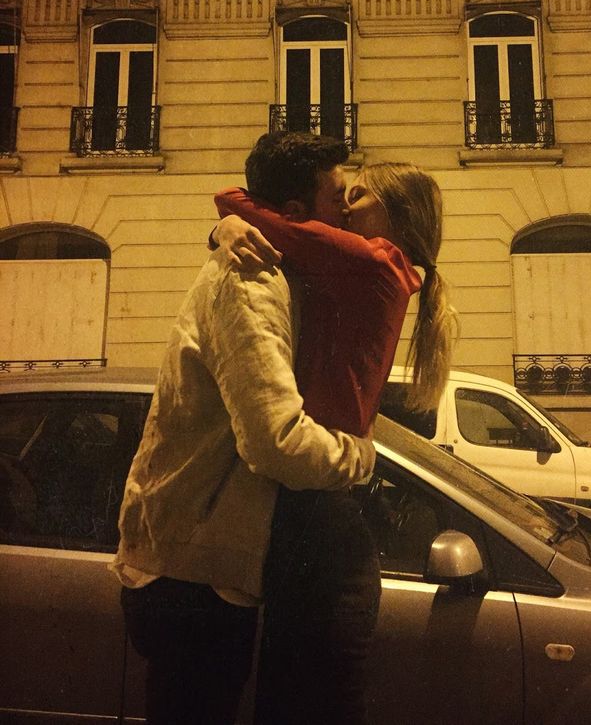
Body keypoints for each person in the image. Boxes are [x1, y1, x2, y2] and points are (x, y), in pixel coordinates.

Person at [113, 132, 376, 725]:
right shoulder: (252, 282)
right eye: (337, 196)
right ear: (292, 214)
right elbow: (275, 443)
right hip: (190, 577)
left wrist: (224, 222)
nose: (348, 209)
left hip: (206, 566)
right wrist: (361, 457)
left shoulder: (280, 268)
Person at [212, 151, 458, 725]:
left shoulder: (375, 261)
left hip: (320, 521)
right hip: (317, 511)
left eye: (360, 195)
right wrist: (223, 234)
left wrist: (228, 221)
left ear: (394, 216)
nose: (346, 203)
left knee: (307, 704)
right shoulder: (360, 267)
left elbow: (242, 204)